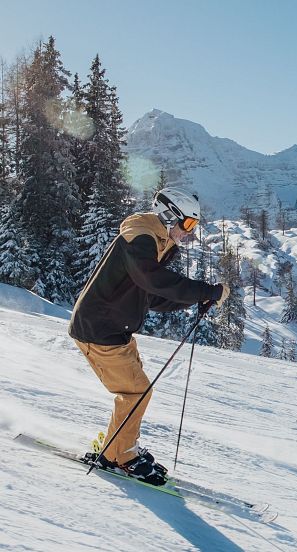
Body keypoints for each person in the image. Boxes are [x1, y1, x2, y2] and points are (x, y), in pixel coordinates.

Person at [69, 187, 229, 485]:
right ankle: (122, 455)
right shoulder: (141, 237)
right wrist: (205, 291)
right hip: (100, 329)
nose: (189, 233)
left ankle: (116, 449)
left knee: (135, 392)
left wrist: (196, 299)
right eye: (189, 224)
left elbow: (150, 295)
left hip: (114, 330)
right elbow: (151, 280)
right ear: (170, 215)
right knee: (136, 392)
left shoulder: (155, 242)